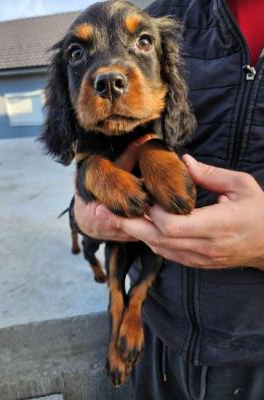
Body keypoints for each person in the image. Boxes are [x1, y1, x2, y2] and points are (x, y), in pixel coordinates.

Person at [73, 0, 264, 398]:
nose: (109, 73)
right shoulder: (167, 11)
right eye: (78, 53)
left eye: (141, 42)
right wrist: (84, 207)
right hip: (162, 344)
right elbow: (93, 152)